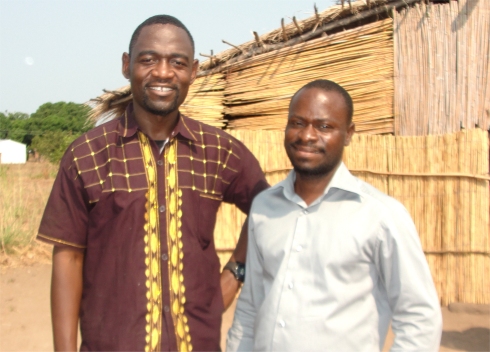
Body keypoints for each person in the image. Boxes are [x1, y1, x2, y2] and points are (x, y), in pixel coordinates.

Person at [37, 15, 268, 352]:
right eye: (148, 59)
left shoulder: (220, 151)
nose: (163, 72)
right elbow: (68, 259)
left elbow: (269, 207)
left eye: (177, 62)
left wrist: (235, 272)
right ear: (126, 65)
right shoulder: (86, 154)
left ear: (194, 70)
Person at [226, 80, 442, 351]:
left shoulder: (380, 215)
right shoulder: (265, 208)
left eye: (324, 126)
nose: (307, 135)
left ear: (349, 134)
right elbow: (251, 304)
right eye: (297, 122)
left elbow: (419, 318)